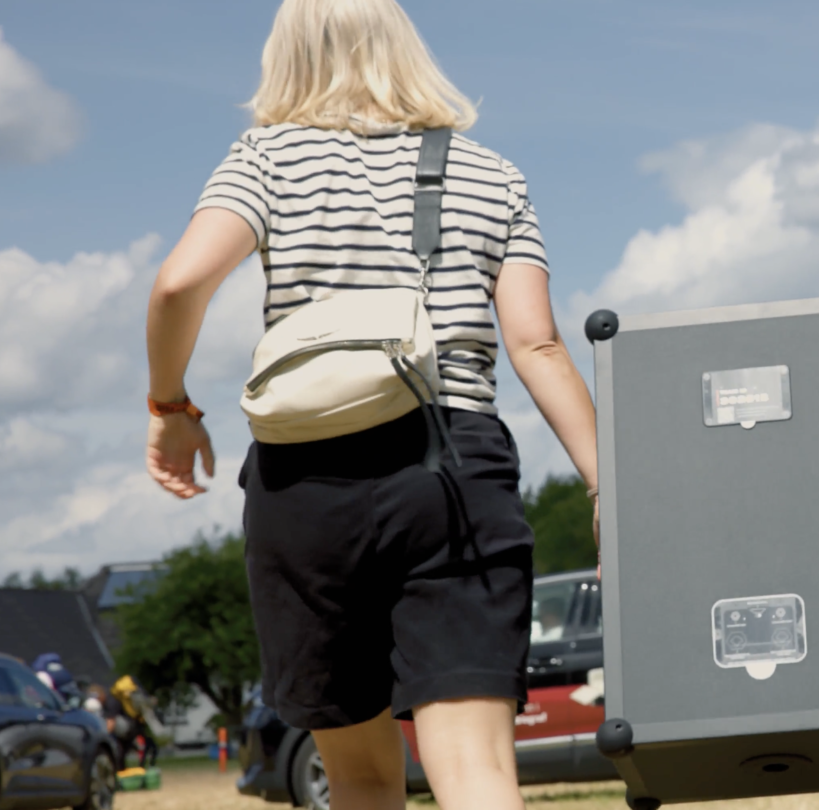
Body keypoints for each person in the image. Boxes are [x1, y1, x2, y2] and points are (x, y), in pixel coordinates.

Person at [142, 2, 598, 808]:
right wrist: (605, 483)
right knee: (480, 774)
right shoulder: (493, 174)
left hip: (308, 482)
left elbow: (179, 283)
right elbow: (538, 346)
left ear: (287, 55)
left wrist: (170, 405)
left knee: (358, 777)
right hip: (454, 469)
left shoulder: (265, 158)